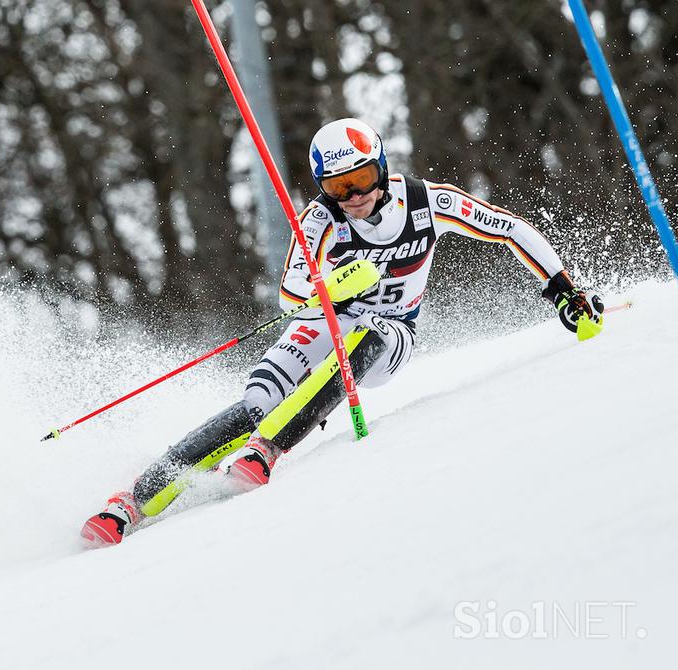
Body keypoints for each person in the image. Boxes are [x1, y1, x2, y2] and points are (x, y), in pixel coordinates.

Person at [80, 117, 605, 547]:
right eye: (337, 187)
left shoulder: (425, 201)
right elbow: (291, 293)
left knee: (365, 337)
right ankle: (131, 502)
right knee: (257, 401)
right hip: (328, 320)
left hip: (391, 331)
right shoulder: (318, 219)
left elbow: (508, 228)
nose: (352, 196)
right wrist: (332, 287)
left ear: (380, 167)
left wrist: (561, 288)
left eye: (360, 180)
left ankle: (270, 449)